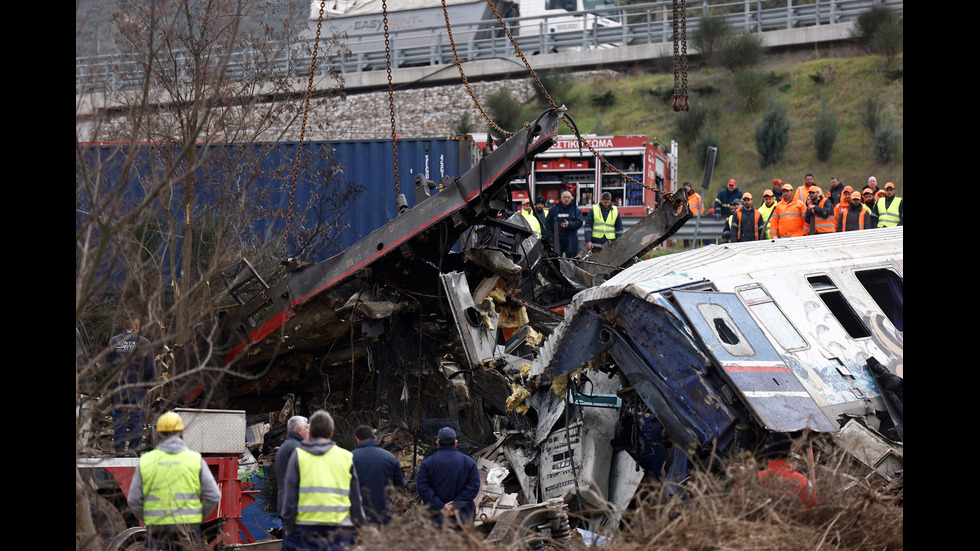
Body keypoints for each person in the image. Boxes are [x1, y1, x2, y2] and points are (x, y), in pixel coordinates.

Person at [127, 411, 221, 551]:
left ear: (158, 436)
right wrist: (199, 516)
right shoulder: (195, 460)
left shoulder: (146, 461)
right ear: (182, 435)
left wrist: (147, 518)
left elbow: (133, 500)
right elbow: (214, 496)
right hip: (188, 531)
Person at [281, 410, 366, 551]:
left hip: (306, 529)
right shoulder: (345, 457)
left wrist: (289, 527)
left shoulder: (298, 456)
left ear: (310, 433)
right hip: (340, 530)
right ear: (331, 433)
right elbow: (355, 499)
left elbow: (290, 497)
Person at [108, 313, 156, 454]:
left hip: (119, 388)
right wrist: (147, 386)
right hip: (137, 388)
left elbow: (107, 367)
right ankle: (133, 450)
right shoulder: (144, 343)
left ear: (124, 327)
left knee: (120, 419)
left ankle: (119, 451)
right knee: (137, 418)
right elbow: (150, 368)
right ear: (137, 326)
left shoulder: (114, 341)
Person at [416, 427, 481, 527]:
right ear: (456, 443)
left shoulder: (426, 463)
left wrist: (441, 507)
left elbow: (423, 488)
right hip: (463, 517)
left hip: (436, 518)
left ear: (437, 443)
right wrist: (455, 505)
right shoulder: (469, 462)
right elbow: (473, 487)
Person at [352, 425, 406, 525]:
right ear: (375, 439)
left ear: (357, 440)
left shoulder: (349, 458)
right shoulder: (390, 458)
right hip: (384, 514)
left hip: (358, 515)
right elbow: (399, 487)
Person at [275, 415, 309, 516]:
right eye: (306, 428)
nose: (308, 431)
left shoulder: (285, 446)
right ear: (299, 430)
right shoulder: (297, 448)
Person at [545, 191, 583, 257]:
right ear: (561, 198)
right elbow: (547, 223)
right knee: (555, 261)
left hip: (571, 240)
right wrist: (550, 236)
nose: (566, 199)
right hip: (557, 240)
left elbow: (579, 222)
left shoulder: (575, 210)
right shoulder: (553, 209)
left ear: (571, 199)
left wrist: (570, 224)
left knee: (571, 262)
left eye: (568, 197)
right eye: (565, 197)